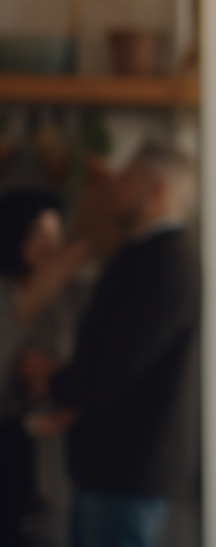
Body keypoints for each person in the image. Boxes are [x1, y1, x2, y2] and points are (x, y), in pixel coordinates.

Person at [28, 141, 200, 547]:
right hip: (114, 467)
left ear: (156, 190)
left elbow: (115, 363)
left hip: (127, 472)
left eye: (125, 180)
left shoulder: (167, 261)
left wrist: (54, 385)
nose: (113, 189)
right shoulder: (147, 253)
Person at [0, 188, 89, 546]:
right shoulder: (8, 299)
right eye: (39, 233)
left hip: (57, 470)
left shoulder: (73, 299)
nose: (52, 246)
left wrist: (53, 375)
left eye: (57, 234)